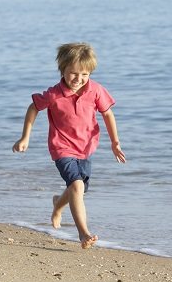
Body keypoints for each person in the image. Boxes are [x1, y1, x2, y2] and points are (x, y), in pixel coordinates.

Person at [13, 42, 126, 249]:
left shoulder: (95, 90)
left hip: (86, 147)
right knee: (77, 186)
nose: (79, 79)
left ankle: (58, 203)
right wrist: (25, 137)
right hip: (61, 147)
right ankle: (83, 233)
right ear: (62, 70)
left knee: (79, 190)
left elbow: (107, 114)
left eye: (85, 74)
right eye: (73, 73)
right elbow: (33, 107)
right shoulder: (54, 94)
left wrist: (114, 142)